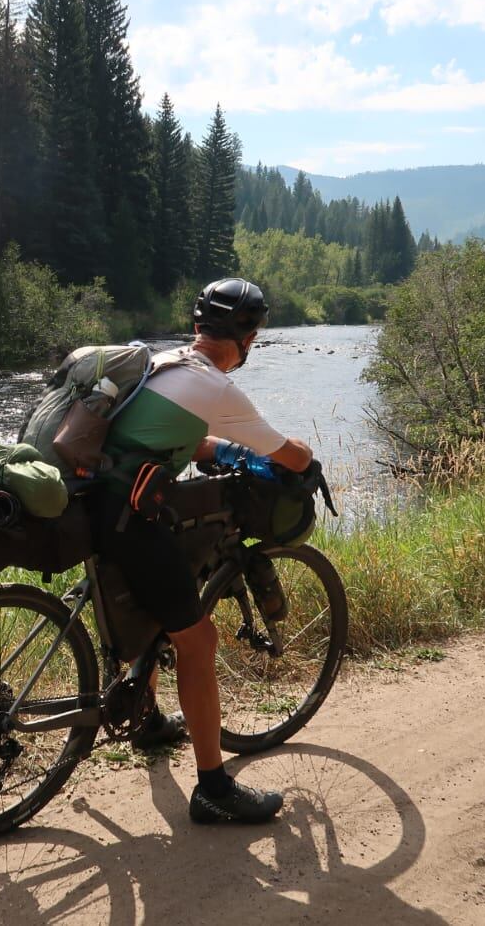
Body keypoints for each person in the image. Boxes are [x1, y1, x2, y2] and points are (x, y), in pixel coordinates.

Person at [91, 277, 315, 824]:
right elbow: (288, 455)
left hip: (90, 501)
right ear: (249, 336)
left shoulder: (163, 364)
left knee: (151, 608)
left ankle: (144, 719)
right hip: (125, 516)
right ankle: (214, 787)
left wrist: (224, 448)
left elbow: (183, 436)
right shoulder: (217, 387)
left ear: (198, 327)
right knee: (199, 638)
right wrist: (306, 456)